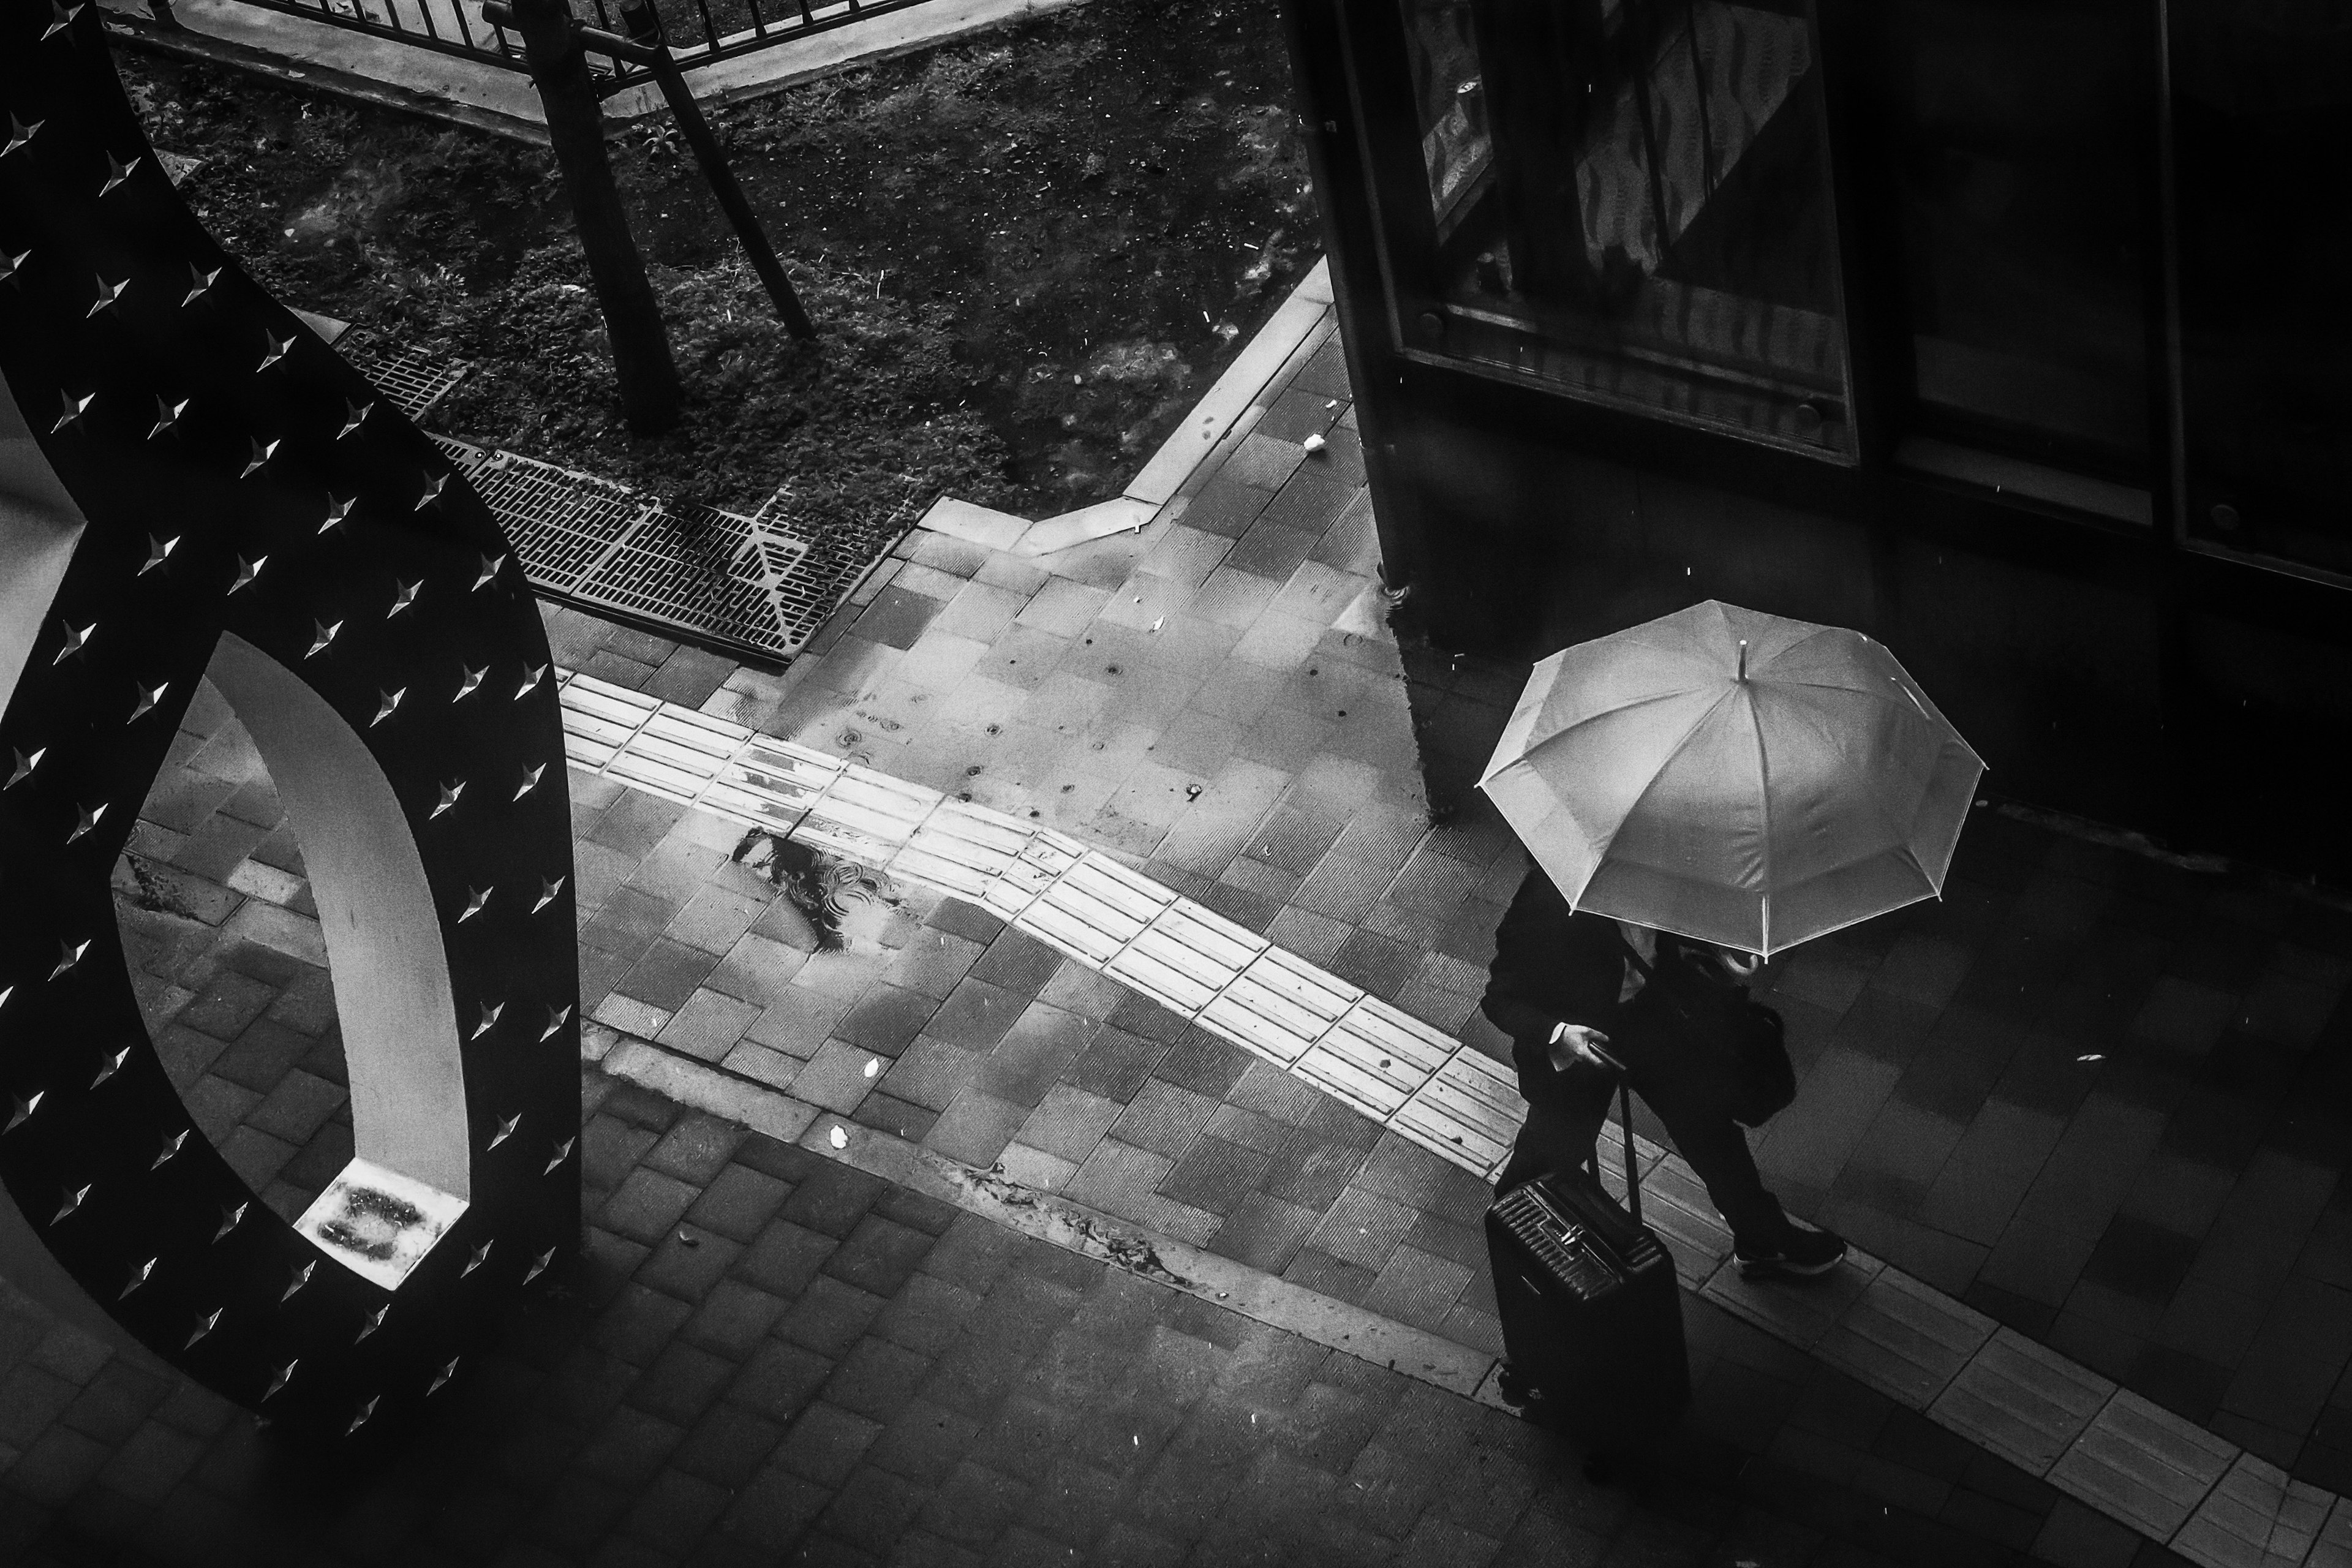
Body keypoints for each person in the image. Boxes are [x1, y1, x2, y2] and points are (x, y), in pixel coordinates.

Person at [1482, 864, 1847, 1279]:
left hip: (1650, 1016)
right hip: (1585, 1041)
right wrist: (1559, 1034)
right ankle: (1516, 1228)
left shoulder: (1668, 867)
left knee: (1712, 1133)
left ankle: (1764, 1239)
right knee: (1552, 1153)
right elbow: (1499, 998)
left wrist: (1723, 954)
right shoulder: (1549, 900)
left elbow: (1665, 944)